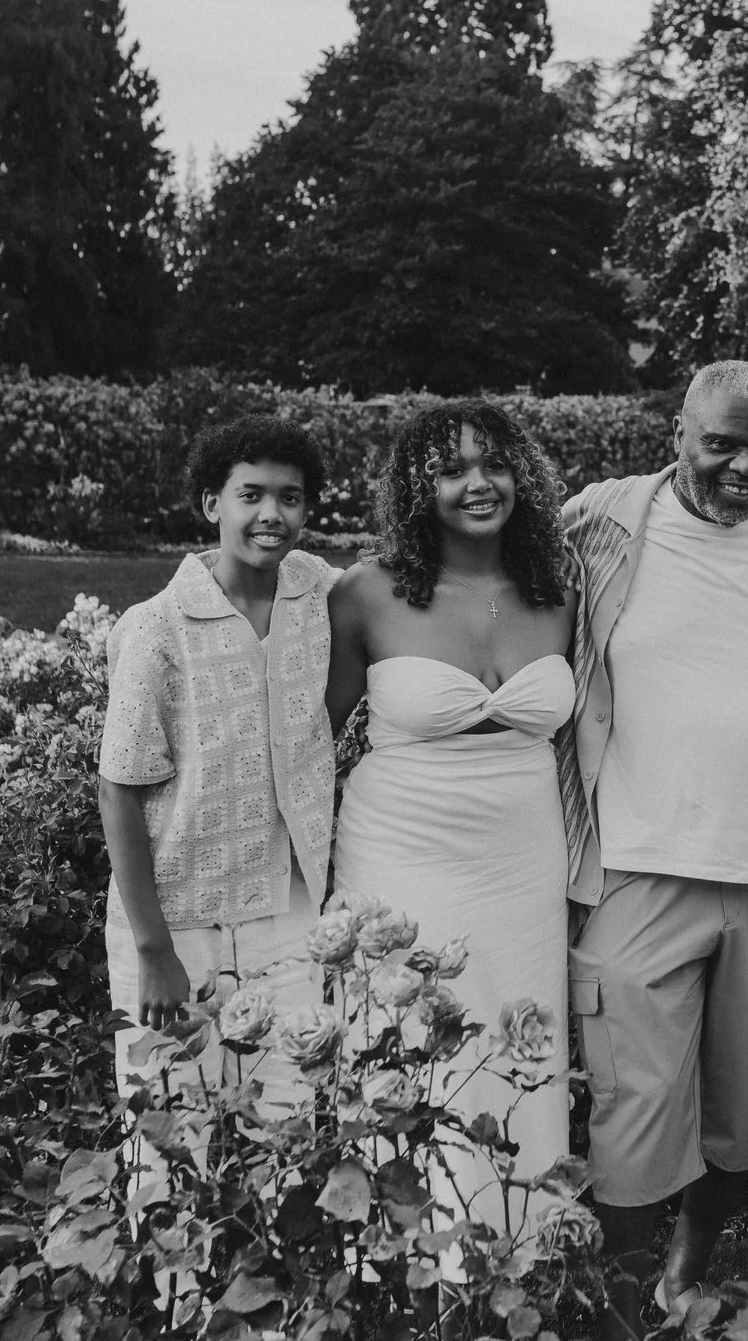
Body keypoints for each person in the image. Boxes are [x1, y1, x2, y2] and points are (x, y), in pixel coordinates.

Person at [559, 360, 748, 1332]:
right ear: (678, 432)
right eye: (722, 442)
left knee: (739, 1110)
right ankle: (625, 1306)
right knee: (631, 1108)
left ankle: (685, 1269)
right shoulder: (602, 518)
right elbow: (499, 595)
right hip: (636, 864)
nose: (744, 465)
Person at [325, 401, 576, 1230]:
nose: (479, 483)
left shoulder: (557, 588)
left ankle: (511, 1244)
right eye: (451, 468)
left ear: (522, 476)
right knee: (407, 1040)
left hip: (522, 858)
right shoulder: (366, 592)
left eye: (495, 464)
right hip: (401, 852)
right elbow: (315, 742)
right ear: (415, 486)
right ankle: (398, 1251)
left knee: (515, 1036)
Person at [95, 416, 336, 1124]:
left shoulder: (316, 592)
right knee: (169, 1136)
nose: (272, 514)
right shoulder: (158, 625)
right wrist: (154, 949)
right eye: (250, 494)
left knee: (291, 1124)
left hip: (286, 908)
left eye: (290, 498)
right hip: (177, 920)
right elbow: (118, 786)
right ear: (211, 504)